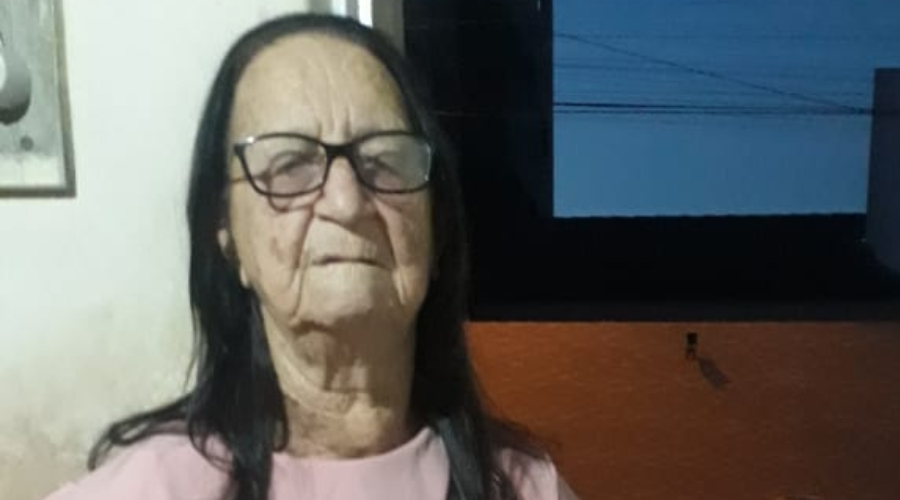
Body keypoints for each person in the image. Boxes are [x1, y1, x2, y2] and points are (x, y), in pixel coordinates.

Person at [42, 14, 580, 500]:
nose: (346, 203)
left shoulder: (522, 487)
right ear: (227, 233)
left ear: (435, 226)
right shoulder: (151, 489)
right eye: (290, 164)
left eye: (384, 159)